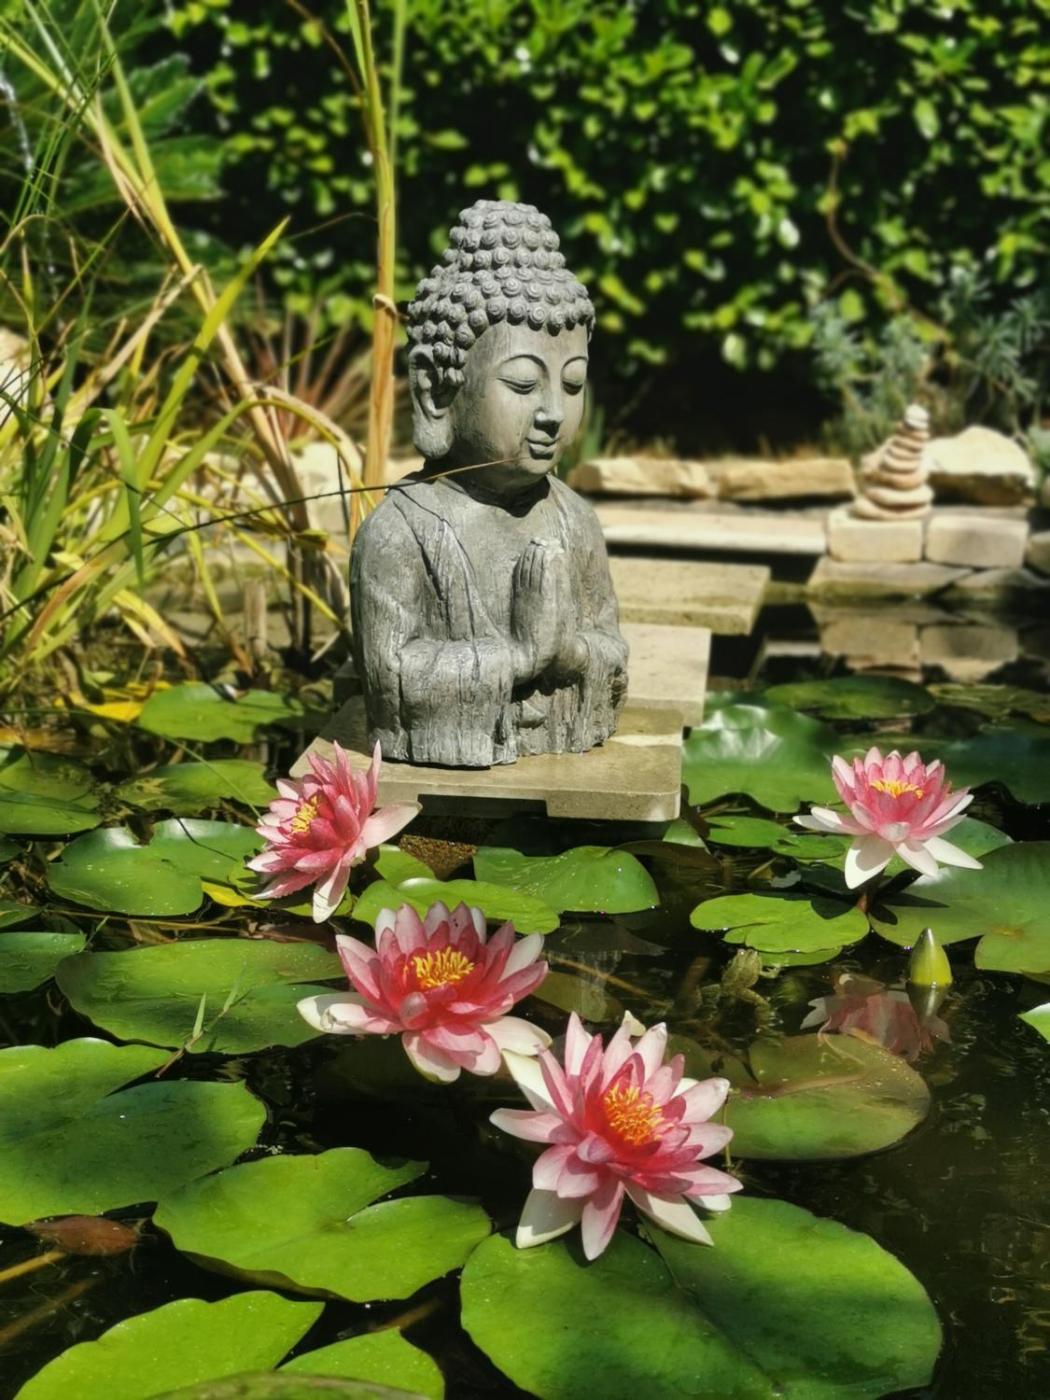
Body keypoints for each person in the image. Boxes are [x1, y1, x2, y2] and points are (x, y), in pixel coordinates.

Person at [350, 200, 628, 768]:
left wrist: (571, 651)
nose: (553, 412)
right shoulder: (398, 533)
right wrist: (519, 657)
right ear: (435, 389)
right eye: (523, 384)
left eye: (573, 384)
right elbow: (389, 676)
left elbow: (612, 649)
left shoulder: (574, 519)